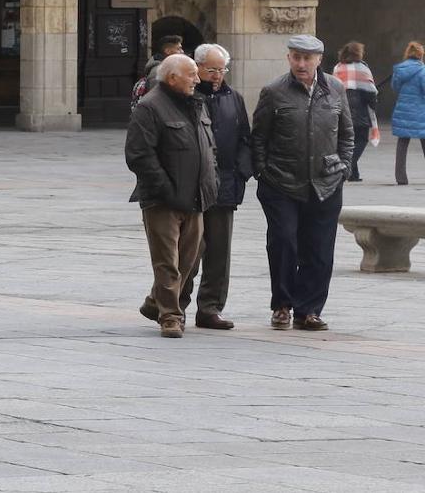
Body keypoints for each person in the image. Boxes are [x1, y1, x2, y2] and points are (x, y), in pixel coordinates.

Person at [252, 34, 353, 332]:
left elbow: (347, 133)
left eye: (307, 58)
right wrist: (262, 171)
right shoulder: (274, 91)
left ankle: (308, 310)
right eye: (296, 57)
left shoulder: (335, 88)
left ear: (319, 59)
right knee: (283, 241)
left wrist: (344, 168)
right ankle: (282, 305)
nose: (301, 63)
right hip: (281, 181)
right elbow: (259, 137)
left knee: (320, 249)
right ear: (289, 58)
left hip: (326, 182)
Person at [125, 53, 218, 338]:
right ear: (172, 77)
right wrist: (166, 188)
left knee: (188, 260)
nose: (197, 79)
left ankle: (156, 301)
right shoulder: (150, 107)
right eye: (191, 74)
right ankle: (170, 316)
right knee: (167, 261)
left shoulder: (197, 104)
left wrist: (212, 181)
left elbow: (209, 148)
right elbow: (139, 155)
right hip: (162, 200)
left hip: (196, 197)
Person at [175, 43, 252, 331]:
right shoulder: (187, 97)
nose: (217, 75)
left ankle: (210, 307)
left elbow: (245, 137)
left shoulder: (234, 98)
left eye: (221, 69)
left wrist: (242, 171)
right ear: (197, 68)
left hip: (226, 183)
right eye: (211, 70)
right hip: (193, 186)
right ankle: (176, 306)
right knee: (189, 251)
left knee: (220, 252)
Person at [334, 41, 379, 182]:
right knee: (361, 140)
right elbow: (371, 92)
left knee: (349, 140)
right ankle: (346, 166)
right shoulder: (363, 68)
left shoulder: (338, 67)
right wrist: (373, 105)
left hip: (341, 109)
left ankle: (354, 174)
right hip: (359, 110)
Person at [391, 41, 425, 185]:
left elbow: (395, 87)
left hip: (403, 111)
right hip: (421, 112)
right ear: (420, 55)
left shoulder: (399, 70)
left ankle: (401, 178)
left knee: (402, 144)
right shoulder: (423, 71)